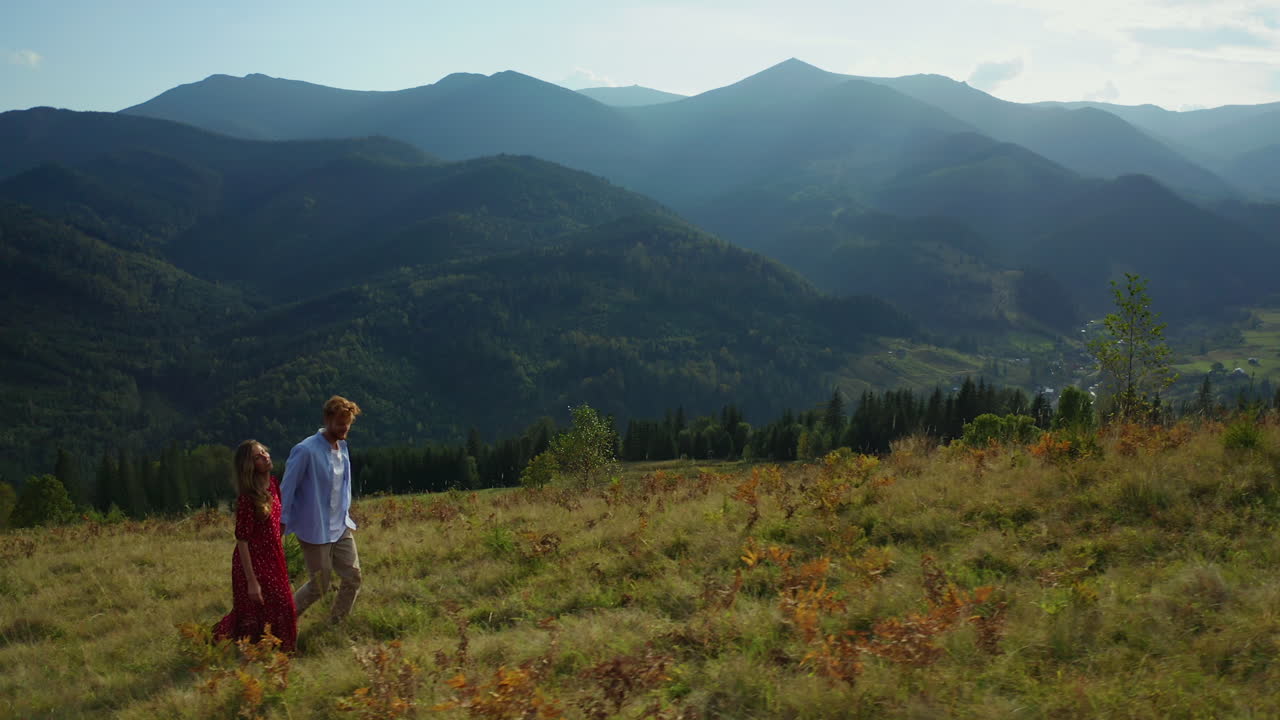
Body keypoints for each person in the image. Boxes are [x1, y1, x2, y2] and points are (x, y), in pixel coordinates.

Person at [279, 395, 363, 625]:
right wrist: (281, 520)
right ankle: (284, 622)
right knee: (320, 585)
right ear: (327, 419)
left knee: (353, 577)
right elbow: (287, 487)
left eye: (348, 423)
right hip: (314, 528)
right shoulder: (305, 450)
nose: (344, 428)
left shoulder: (342, 448)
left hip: (340, 526)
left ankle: (335, 623)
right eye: (340, 423)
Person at [213, 440, 298, 653]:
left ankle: (281, 652)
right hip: (252, 562)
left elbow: (278, 523)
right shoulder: (247, 499)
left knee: (283, 605)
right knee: (258, 610)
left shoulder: (274, 484)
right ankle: (255, 651)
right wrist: (252, 581)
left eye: (264, 452)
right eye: (258, 456)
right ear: (249, 466)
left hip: (273, 557)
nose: (265, 456)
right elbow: (242, 540)